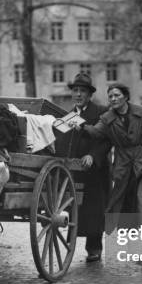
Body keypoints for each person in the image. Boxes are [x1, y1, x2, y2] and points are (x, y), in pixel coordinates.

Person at [74, 83, 142, 226]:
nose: (113, 99)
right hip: (124, 164)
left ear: (126, 97)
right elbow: (96, 132)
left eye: (117, 95)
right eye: (110, 97)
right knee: (119, 202)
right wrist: (82, 126)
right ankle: (123, 235)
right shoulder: (106, 118)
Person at [55, 73, 111, 262]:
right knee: (75, 208)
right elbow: (61, 141)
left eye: (82, 91)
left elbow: (105, 141)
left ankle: (94, 248)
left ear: (89, 95)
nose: (78, 94)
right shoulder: (68, 115)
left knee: (94, 209)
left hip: (94, 171)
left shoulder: (101, 112)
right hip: (74, 171)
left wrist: (93, 156)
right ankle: (72, 243)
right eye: (75, 91)